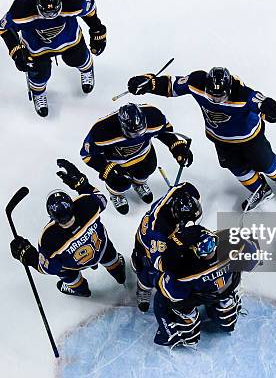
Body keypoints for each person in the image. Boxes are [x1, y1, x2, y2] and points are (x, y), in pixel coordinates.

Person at [127, 67, 276, 210]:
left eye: (220, 97)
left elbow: (266, 107)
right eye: (212, 95)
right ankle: (261, 189)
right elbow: (172, 85)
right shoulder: (197, 82)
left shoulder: (243, 94)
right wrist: (150, 84)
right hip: (221, 140)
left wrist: (273, 110)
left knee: (265, 162)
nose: (215, 100)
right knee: (236, 167)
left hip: (250, 138)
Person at [10, 159, 125, 297]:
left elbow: (47, 267)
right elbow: (101, 199)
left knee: (65, 272)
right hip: (101, 249)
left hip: (73, 265)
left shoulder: (49, 238)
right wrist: (81, 184)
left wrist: (28, 255)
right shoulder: (87, 205)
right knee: (112, 260)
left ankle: (82, 291)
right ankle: (119, 274)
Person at [0, 0, 107, 117]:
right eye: (46, 14)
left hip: (69, 40)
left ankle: (87, 70)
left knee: (78, 58)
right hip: (37, 48)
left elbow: (90, 10)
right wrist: (16, 52)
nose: (50, 17)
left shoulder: (73, 0)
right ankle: (38, 93)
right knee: (40, 74)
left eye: (54, 12)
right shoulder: (21, 8)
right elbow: (4, 28)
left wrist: (97, 29)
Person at [148, 225, 258, 347]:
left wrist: (158, 277)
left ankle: (185, 320)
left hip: (202, 294)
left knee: (161, 299)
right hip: (226, 289)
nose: (210, 251)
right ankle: (225, 303)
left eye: (212, 244)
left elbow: (171, 293)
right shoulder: (235, 248)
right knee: (226, 306)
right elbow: (253, 255)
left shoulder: (187, 272)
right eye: (206, 248)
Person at [80, 103, 193, 214]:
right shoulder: (102, 131)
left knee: (148, 168)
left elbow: (164, 130)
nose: (139, 135)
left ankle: (139, 183)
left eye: (141, 130)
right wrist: (106, 168)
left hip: (145, 155)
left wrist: (176, 146)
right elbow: (86, 155)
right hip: (118, 166)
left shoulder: (153, 115)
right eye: (134, 133)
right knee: (119, 182)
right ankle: (116, 194)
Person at [131, 182, 202, 312]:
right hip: (147, 244)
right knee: (149, 270)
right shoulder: (158, 231)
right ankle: (143, 288)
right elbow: (160, 263)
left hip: (160, 232)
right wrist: (181, 241)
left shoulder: (180, 194)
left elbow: (185, 185)